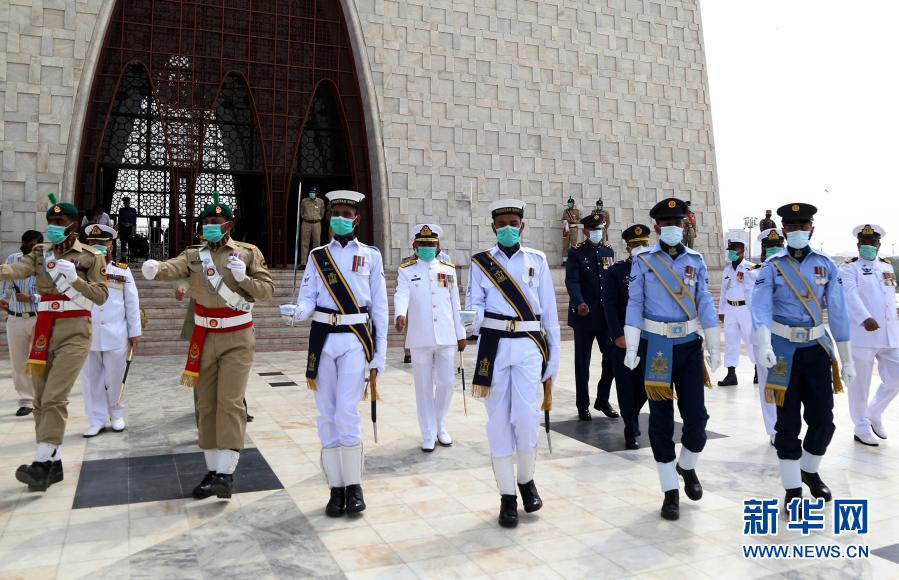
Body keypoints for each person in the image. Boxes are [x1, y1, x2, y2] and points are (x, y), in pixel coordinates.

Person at [142, 193, 273, 500]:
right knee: (205, 405)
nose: (210, 226)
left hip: (237, 336)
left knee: (230, 401)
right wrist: (155, 268)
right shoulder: (193, 255)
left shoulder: (248, 253)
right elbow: (172, 268)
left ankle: (226, 472)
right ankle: (213, 470)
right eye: (206, 222)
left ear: (229, 224)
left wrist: (244, 278)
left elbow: (266, 290)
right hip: (203, 336)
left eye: (216, 221)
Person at [0, 194, 108, 491]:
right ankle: (52, 463)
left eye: (59, 221)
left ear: (73, 224)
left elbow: (101, 296)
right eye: (50, 221)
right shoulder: (40, 254)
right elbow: (15, 271)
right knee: (39, 399)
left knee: (54, 397)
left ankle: (40, 462)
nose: (53, 227)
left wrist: (75, 279)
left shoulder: (91, 256)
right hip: (44, 329)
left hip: (75, 331)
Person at [291, 190, 387, 517]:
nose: (341, 219)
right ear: (329, 217)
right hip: (322, 337)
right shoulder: (318, 256)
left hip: (355, 338)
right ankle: (336, 487)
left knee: (346, 411)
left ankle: (354, 486)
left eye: (347, 214)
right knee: (326, 413)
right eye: (336, 214)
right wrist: (298, 311)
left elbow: (380, 307)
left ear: (356, 219)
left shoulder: (371, 255)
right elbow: (308, 295)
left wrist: (380, 354)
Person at [752, 203, 854, 511]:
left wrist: (847, 357)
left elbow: (838, 311)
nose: (798, 231)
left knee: (823, 420)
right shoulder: (772, 267)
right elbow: (760, 307)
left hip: (816, 349)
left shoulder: (826, 264)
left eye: (803, 226)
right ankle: (792, 488)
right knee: (787, 424)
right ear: (783, 231)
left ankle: (809, 470)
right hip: (782, 351)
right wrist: (764, 343)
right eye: (792, 227)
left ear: (812, 229)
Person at [624, 197, 720, 521]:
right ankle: (670, 491)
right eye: (666, 224)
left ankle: (687, 465)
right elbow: (635, 303)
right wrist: (632, 345)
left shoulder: (696, 260)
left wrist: (715, 342)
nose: (672, 228)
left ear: (684, 225)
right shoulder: (643, 261)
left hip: (689, 346)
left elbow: (704, 300)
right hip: (657, 347)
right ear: (657, 228)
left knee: (698, 419)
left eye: (677, 223)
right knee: (661, 422)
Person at [467, 199, 560, 528]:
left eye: (513, 223)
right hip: (492, 345)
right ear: (493, 227)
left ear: (522, 226)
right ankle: (507, 495)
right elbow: (474, 303)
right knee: (497, 421)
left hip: (528, 344)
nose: (507, 228)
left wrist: (554, 355)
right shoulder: (481, 262)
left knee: (525, 415)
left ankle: (526, 480)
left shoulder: (537, 260)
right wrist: (472, 319)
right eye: (501, 223)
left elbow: (549, 310)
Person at [394, 224, 466, 451]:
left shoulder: (448, 269)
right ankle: (428, 432)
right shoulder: (406, 270)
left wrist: (461, 333)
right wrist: (400, 314)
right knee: (423, 386)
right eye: (423, 244)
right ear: (415, 245)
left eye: (431, 244)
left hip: (446, 334)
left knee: (446, 382)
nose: (427, 248)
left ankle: (440, 424)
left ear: (437, 246)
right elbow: (401, 294)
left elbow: (455, 303)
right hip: (420, 336)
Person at [839, 224, 899, 447]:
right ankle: (861, 427)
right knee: (859, 385)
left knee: (896, 377)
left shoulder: (886, 266)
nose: (868, 246)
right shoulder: (849, 268)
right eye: (864, 242)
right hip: (863, 333)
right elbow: (850, 295)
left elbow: (886, 297)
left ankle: (874, 412)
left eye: (872, 242)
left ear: (879, 244)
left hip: (889, 334)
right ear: (858, 244)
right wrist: (864, 317)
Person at [79, 224, 141, 437]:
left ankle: (116, 414)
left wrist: (134, 333)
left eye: (102, 244)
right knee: (91, 380)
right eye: (93, 244)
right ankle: (96, 419)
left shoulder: (121, 270)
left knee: (116, 377)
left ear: (111, 247)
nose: (97, 248)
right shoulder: (79, 272)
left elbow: (131, 303)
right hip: (87, 333)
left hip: (116, 333)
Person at [565, 212, 619, 421]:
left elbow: (611, 282)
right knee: (582, 363)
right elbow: (572, 281)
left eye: (600, 229)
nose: (598, 232)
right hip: (584, 316)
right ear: (586, 231)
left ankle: (602, 399)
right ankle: (583, 405)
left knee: (612, 358)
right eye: (594, 229)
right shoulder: (576, 252)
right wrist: (579, 302)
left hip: (606, 317)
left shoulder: (608, 251)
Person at [602, 224, 651, 449]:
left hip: (650, 337)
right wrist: (617, 335)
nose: (640, 248)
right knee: (625, 385)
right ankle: (631, 428)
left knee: (646, 385)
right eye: (635, 245)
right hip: (625, 338)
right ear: (628, 248)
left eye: (644, 244)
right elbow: (610, 306)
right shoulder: (616, 272)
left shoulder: (657, 270)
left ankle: (632, 414)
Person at [1, 230, 43, 416]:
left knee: (39, 360)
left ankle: (41, 398)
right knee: (18, 362)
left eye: (32, 244)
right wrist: (2, 300)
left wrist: (32, 297)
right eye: (26, 243)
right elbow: (5, 286)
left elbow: (53, 293)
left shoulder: (46, 263)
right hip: (15, 318)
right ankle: (26, 400)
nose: (28, 247)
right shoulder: (13, 259)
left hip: (38, 317)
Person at [752, 228, 785, 444]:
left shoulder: (791, 271)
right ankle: (774, 429)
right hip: (763, 335)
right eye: (769, 246)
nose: (774, 249)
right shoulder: (753, 273)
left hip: (786, 336)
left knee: (789, 383)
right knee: (768, 383)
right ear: (763, 250)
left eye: (777, 246)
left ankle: (788, 424)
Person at [717, 237, 757, 386]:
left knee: (751, 340)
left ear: (742, 251)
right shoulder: (727, 270)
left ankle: (758, 371)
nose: (732, 253)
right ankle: (731, 374)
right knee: (730, 341)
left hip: (746, 309)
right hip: (730, 309)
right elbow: (723, 291)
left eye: (735, 250)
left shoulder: (752, 268)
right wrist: (721, 311)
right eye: (730, 250)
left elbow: (758, 289)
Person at [300, 185, 326, 268]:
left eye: (313, 193)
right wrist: (306, 217)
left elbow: (322, 213)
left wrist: (318, 218)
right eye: (310, 192)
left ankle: (316, 262)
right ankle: (303, 263)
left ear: (316, 193)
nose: (312, 194)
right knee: (304, 243)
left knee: (317, 243)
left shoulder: (320, 201)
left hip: (316, 224)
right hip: (306, 223)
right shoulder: (304, 201)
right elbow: (301, 212)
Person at [561, 196, 581, 264]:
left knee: (573, 245)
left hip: (574, 229)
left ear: (573, 204)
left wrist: (574, 221)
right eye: (569, 203)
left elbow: (580, 220)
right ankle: (564, 260)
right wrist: (565, 221)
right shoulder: (565, 211)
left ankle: (573, 260)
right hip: (566, 229)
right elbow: (562, 219)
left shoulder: (577, 211)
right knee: (565, 245)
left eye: (571, 203)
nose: (570, 205)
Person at [117, 197, 138, 261]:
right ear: (124, 203)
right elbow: (119, 221)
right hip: (123, 229)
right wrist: (124, 224)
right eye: (125, 203)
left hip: (130, 229)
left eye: (127, 203)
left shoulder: (133, 210)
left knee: (132, 244)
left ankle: (132, 258)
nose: (126, 204)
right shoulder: (121, 210)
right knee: (123, 245)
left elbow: (134, 221)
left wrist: (133, 231)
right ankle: (123, 258)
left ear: (129, 203)